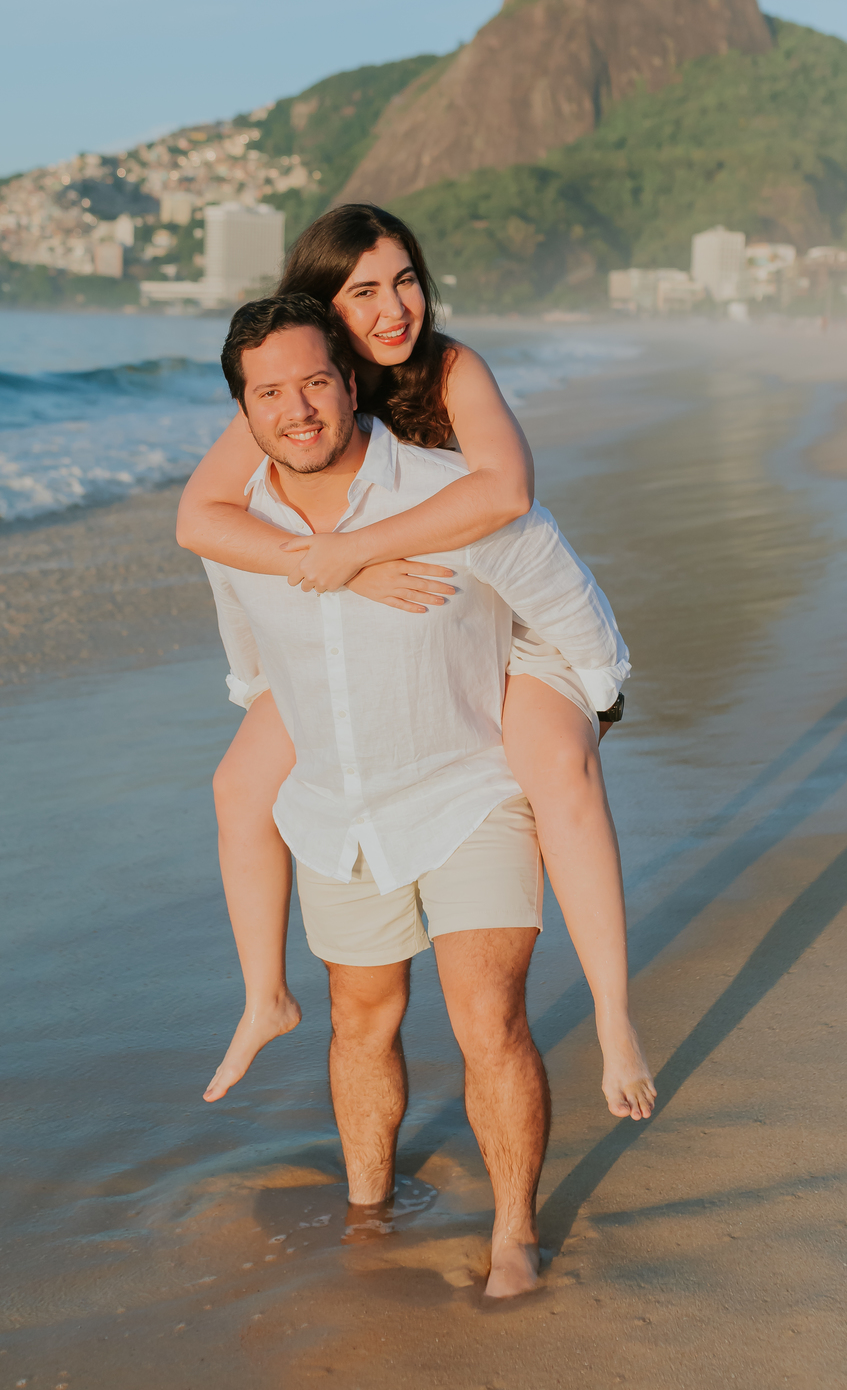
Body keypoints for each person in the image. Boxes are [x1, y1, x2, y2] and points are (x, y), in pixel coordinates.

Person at [176, 204, 654, 1124]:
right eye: (363, 290)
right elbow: (206, 520)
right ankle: (264, 996)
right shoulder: (298, 383)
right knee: (239, 785)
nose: (395, 307)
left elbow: (506, 493)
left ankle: (615, 1016)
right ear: (320, 309)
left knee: (557, 767)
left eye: (405, 278)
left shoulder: (451, 365)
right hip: (379, 621)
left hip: (504, 620)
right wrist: (340, 570)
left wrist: (360, 550)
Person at [202, 293, 633, 1296]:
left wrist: (573, 721)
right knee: (361, 1018)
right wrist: (341, 588)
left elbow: (579, 622)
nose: (298, 408)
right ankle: (367, 1204)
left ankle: (514, 1237)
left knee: (489, 1017)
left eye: (316, 381)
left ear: (352, 384)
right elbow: (250, 665)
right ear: (245, 413)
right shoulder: (237, 530)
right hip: (336, 811)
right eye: (270, 393)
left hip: (469, 790)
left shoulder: (453, 494)